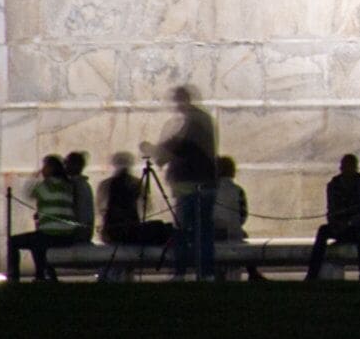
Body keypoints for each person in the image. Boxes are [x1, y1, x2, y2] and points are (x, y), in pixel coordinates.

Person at [156, 85, 219, 280]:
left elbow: (182, 146)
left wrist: (160, 153)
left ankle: (183, 270)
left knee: (184, 231)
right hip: (202, 183)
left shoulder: (194, 120)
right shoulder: (201, 119)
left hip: (191, 184)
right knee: (202, 230)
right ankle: (204, 271)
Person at [10, 154, 91, 282]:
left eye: (45, 166)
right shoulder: (68, 185)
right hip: (68, 234)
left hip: (52, 234)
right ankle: (43, 276)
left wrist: (34, 176)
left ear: (52, 168)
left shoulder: (45, 186)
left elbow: (28, 192)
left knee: (14, 242)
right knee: (36, 241)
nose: (43, 169)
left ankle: (14, 278)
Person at [308, 153, 360, 282]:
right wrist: (335, 223)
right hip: (341, 226)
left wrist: (349, 222)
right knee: (323, 231)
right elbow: (331, 209)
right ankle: (312, 273)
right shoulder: (334, 186)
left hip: (359, 225)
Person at [98, 150, 165, 258]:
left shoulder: (106, 184)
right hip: (132, 227)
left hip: (112, 227)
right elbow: (148, 207)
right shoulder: (136, 182)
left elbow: (100, 206)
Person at [207, 155, 250, 279]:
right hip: (234, 233)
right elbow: (243, 214)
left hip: (214, 233)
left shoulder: (209, 190)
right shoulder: (238, 190)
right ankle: (251, 272)